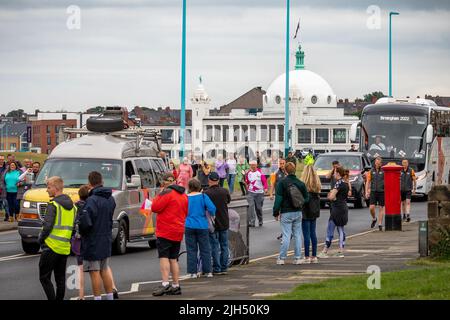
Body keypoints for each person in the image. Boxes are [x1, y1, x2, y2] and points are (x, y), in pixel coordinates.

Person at [79, 171, 116, 301]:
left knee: (94, 272)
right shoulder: (110, 198)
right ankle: (110, 297)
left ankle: (97, 298)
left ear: (90, 183)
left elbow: (86, 223)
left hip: (92, 240)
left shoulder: (91, 200)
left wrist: (80, 230)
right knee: (104, 270)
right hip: (105, 237)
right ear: (102, 181)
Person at [38, 176, 76, 300]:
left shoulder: (53, 205)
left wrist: (41, 240)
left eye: (48, 187)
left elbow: (47, 226)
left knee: (44, 277)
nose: (47, 190)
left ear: (56, 188)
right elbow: (73, 228)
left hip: (51, 247)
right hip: (64, 248)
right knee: (60, 280)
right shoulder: (73, 207)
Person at [151, 173, 188, 296]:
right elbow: (186, 211)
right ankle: (176, 285)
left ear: (165, 182)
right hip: (178, 229)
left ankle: (165, 284)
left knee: (164, 257)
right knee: (173, 258)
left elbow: (155, 207)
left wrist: (159, 195)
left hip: (165, 230)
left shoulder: (166, 193)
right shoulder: (183, 195)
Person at [273, 162, 309, 265]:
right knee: (297, 235)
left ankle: (282, 258)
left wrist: (276, 212)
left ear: (285, 171)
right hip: (297, 211)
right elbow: (306, 198)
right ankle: (298, 257)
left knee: (286, 235)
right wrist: (300, 202)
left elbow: (278, 199)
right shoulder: (300, 183)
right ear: (295, 170)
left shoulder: (282, 183)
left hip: (286, 212)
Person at [185, 178, 216, 278]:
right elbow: (212, 209)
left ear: (189, 187)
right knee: (205, 249)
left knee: (191, 250)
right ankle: (208, 271)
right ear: (199, 187)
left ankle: (192, 272)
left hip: (189, 225)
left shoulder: (185, 198)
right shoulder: (203, 196)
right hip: (202, 225)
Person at [318, 166, 349, 258]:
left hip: (336, 208)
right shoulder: (346, 183)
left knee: (330, 229)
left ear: (338, 173)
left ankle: (325, 250)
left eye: (335, 172)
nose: (334, 174)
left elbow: (331, 197)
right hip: (343, 207)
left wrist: (330, 195)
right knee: (341, 229)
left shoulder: (338, 183)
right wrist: (334, 195)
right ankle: (341, 250)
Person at [205, 172, 231, 275]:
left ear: (209, 180)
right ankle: (224, 267)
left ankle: (217, 268)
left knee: (214, 246)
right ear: (218, 180)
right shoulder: (225, 191)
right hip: (224, 221)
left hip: (212, 222)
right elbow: (228, 201)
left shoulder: (206, 193)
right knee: (224, 245)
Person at [301, 165, 321, 264]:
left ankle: (306, 256)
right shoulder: (316, 184)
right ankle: (314, 255)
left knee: (306, 234)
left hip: (305, 210)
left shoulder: (303, 184)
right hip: (314, 209)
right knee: (313, 233)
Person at [245, 160, 268, 227]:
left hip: (259, 193)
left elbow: (265, 181)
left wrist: (266, 188)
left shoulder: (260, 172)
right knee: (251, 207)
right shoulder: (248, 173)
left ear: (256, 165)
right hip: (250, 192)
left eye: (253, 165)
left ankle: (260, 220)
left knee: (258, 208)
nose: (252, 166)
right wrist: (246, 184)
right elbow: (247, 181)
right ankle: (252, 222)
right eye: (251, 165)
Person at [365, 157, 385, 231]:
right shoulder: (371, 171)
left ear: (381, 164)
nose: (377, 164)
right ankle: (374, 218)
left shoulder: (384, 171)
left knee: (381, 208)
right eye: (376, 163)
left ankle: (380, 224)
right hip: (373, 191)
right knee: (371, 208)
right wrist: (366, 191)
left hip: (382, 191)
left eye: (379, 163)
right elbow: (368, 181)